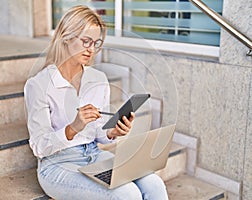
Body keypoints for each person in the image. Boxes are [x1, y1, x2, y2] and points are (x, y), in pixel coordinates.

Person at [24, 5, 169, 200]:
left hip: (94, 154)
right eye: (86, 41)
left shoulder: (98, 79)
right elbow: (39, 146)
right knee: (127, 194)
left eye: (96, 43)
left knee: (154, 184)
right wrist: (73, 128)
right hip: (58, 163)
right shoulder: (39, 85)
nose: (91, 50)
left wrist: (112, 132)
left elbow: (98, 133)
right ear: (66, 37)